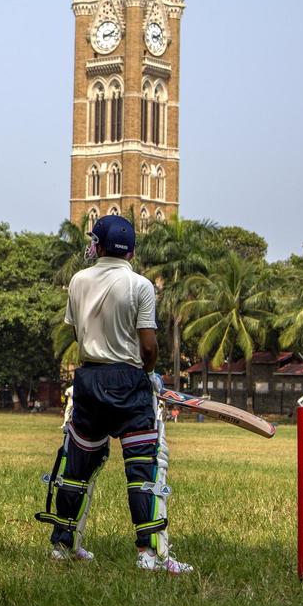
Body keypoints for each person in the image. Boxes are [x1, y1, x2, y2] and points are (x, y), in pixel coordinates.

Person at [37, 215, 189, 574]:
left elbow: (77, 333)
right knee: (144, 468)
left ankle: (64, 544)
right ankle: (149, 553)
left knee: (77, 466)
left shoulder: (78, 280)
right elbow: (148, 343)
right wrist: (148, 373)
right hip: (129, 380)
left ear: (99, 246)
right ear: (132, 251)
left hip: (89, 378)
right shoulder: (140, 285)